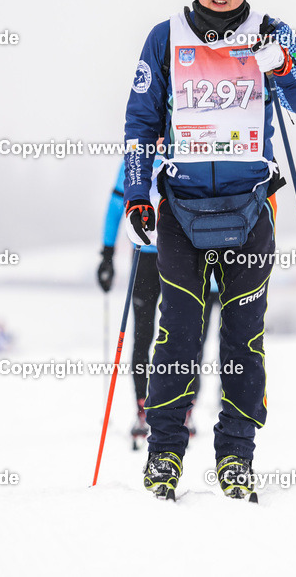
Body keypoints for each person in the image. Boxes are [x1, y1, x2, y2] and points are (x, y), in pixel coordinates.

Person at [122, 0, 296, 499]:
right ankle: (163, 457)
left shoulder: (271, 31)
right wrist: (137, 195)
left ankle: (236, 457)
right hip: (180, 211)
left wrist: (285, 64)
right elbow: (140, 121)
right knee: (176, 338)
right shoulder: (164, 38)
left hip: (250, 207)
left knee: (243, 341)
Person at [97, 157, 219, 446]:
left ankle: (185, 407)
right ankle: (143, 406)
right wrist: (107, 255)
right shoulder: (137, 159)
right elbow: (117, 205)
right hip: (145, 256)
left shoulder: (185, 149)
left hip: (183, 252)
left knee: (189, 334)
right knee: (143, 334)